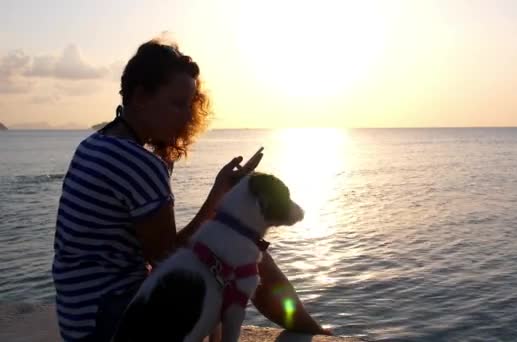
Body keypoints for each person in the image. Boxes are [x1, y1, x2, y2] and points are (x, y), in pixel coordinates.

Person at [52, 39, 330, 342]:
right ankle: (311, 330)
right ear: (141, 96)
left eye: (190, 104)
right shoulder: (138, 163)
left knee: (236, 244)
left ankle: (307, 327)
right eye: (178, 104)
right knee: (244, 247)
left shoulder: (96, 144)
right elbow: (167, 255)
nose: (187, 116)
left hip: (78, 317)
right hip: (112, 323)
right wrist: (218, 198)